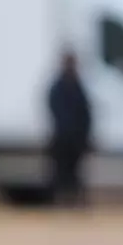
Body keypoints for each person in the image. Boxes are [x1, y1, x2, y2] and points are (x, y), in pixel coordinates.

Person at [47, 49, 93, 207]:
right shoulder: (58, 86)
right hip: (62, 138)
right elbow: (55, 109)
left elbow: (86, 113)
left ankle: (74, 201)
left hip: (75, 140)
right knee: (60, 173)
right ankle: (60, 201)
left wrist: (84, 134)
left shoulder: (77, 86)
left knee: (75, 173)